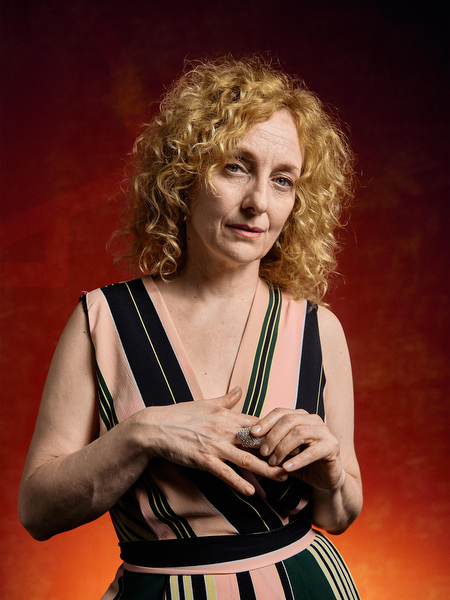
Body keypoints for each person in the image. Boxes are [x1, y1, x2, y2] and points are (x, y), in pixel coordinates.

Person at [19, 56, 363, 599]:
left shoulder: (320, 330)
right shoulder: (102, 321)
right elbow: (37, 511)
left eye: (282, 181)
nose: (258, 202)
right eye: (235, 167)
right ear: (184, 173)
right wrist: (143, 434)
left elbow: (340, 514)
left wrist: (332, 473)